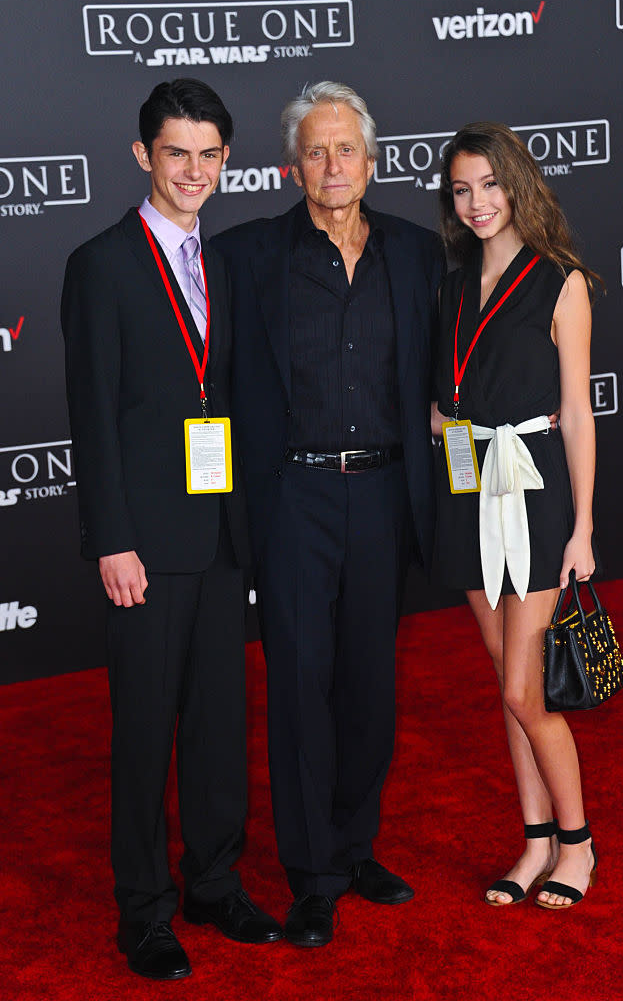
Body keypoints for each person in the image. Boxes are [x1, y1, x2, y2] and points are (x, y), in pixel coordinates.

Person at [213, 82, 444, 946]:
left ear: (374, 162)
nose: (333, 163)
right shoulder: (245, 257)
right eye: (316, 149)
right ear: (292, 165)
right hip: (292, 497)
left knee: (371, 688)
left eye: (347, 148)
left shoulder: (419, 256)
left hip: (386, 494)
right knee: (301, 690)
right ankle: (311, 875)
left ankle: (353, 849)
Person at [61, 79, 281, 981]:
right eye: (175, 153)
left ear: (226, 161)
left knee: (220, 725)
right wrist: (112, 539)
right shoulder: (102, 262)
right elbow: (95, 415)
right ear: (143, 156)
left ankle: (213, 883)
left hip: (221, 536)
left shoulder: (222, 263)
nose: (192, 170)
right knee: (146, 729)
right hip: (143, 546)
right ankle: (145, 910)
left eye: (208, 154)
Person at [431, 122, 602, 910]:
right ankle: (532, 841)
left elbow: (575, 413)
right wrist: (443, 425)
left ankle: (578, 844)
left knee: (526, 693)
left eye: (490, 185)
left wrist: (584, 528)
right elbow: (445, 398)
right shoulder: (453, 282)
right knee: (508, 683)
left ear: (517, 184)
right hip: (469, 492)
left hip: (537, 497)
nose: (477, 203)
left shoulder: (559, 280)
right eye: (462, 190)